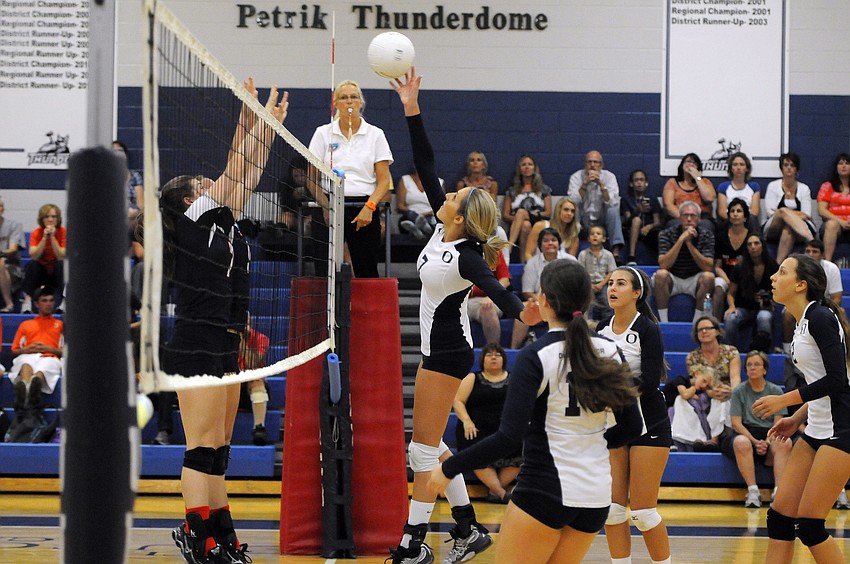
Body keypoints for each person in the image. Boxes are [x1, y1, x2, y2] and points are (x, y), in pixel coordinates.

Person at [388, 68, 542, 564]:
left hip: (450, 352)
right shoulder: (441, 229)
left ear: (459, 215)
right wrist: (412, 106)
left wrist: (534, 317)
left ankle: (412, 545)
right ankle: (468, 529)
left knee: (421, 453)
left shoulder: (467, 254)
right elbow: (424, 159)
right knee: (431, 449)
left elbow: (499, 291)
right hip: (438, 349)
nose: (446, 194)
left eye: (452, 197)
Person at [428, 259, 642, 564]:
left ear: (543, 301)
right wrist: (586, 442)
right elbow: (632, 427)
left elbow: (508, 437)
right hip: (594, 497)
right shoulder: (610, 349)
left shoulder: (536, 355)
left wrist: (449, 468)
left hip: (544, 490)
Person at [161, 79, 287, 564]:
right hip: (196, 341)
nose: (209, 183)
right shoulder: (193, 223)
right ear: (188, 201)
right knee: (201, 448)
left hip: (227, 342)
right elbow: (236, 169)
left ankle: (223, 538)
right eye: (200, 184)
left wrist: (252, 119)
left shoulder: (220, 220)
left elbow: (245, 170)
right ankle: (200, 540)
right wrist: (263, 122)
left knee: (219, 451)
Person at [752, 254, 850, 564]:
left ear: (800, 284)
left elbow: (837, 380)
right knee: (779, 518)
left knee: (810, 525)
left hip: (842, 430)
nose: (773, 278)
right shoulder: (802, 321)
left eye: (781, 272)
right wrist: (797, 417)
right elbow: (822, 381)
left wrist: (784, 401)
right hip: (817, 426)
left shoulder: (821, 317)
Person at [597, 267, 673, 564]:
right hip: (613, 425)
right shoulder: (601, 327)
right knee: (612, 510)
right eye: (610, 283)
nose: (612, 288)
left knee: (642, 512)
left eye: (621, 283)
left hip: (648, 423)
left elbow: (651, 380)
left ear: (637, 293)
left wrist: (610, 394)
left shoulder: (647, 329)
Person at [308, 79, 393, 278]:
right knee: (324, 269)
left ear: (361, 103)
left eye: (354, 97)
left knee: (366, 269)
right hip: (329, 203)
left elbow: (383, 181)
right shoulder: (322, 133)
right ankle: (327, 309)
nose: (349, 102)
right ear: (335, 103)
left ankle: (365, 309)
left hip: (363, 206)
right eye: (344, 98)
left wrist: (369, 207)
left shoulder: (375, 134)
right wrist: (325, 205)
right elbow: (311, 178)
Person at [452, 344, 521, 504]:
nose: (494, 357)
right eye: (489, 355)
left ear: (504, 359)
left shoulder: (515, 378)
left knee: (525, 443)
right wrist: (467, 421)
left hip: (506, 429)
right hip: (476, 429)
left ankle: (495, 491)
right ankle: (502, 493)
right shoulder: (472, 378)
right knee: (473, 443)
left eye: (498, 354)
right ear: (482, 360)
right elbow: (458, 401)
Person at [724, 351, 792, 508]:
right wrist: (755, 442)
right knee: (741, 442)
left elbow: (778, 422)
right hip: (747, 433)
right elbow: (736, 424)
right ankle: (753, 491)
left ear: (765, 369)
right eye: (749, 365)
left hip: (770, 433)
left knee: (785, 442)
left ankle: (779, 492)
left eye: (756, 364)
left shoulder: (775, 391)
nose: (752, 368)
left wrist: (767, 442)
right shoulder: (739, 391)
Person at [652, 201, 715, 323]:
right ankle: (664, 322)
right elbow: (663, 264)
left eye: (693, 216)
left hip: (695, 279)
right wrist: (681, 240)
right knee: (660, 274)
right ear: (680, 218)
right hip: (673, 277)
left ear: (699, 219)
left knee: (709, 277)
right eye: (686, 216)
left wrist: (689, 244)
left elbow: (707, 266)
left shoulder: (707, 235)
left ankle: (697, 321)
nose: (689, 219)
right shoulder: (666, 234)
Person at [512, 227, 573, 348]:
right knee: (523, 308)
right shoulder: (532, 263)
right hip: (541, 302)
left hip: (565, 302)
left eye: (553, 240)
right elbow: (527, 292)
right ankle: (514, 350)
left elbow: (576, 288)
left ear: (559, 243)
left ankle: (576, 346)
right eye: (546, 240)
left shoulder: (571, 261)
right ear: (540, 244)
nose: (550, 243)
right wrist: (544, 301)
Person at [781, 240, 843, 356]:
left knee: (834, 313)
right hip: (801, 303)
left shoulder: (831, 268)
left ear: (822, 255)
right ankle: (788, 350)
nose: (810, 254)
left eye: (814, 251)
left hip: (824, 304)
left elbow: (837, 298)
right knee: (788, 313)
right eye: (808, 251)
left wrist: (826, 310)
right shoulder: (797, 269)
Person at [8, 286, 63, 412]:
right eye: (44, 301)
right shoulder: (26, 325)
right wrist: (26, 350)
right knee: (26, 363)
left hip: (50, 356)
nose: (48, 304)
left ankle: (24, 400)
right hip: (28, 355)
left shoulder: (60, 325)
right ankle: (29, 395)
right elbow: (14, 351)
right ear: (37, 304)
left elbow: (66, 351)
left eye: (51, 300)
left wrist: (49, 348)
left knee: (43, 369)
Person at [724, 234, 779, 353]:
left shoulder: (772, 266)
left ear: (762, 246)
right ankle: (730, 353)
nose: (753, 247)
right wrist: (732, 307)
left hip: (764, 308)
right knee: (730, 318)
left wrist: (771, 302)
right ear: (746, 248)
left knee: (764, 317)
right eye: (750, 244)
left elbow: (780, 291)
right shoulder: (740, 267)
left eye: (756, 243)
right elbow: (730, 293)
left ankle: (763, 353)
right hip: (743, 308)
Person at [567, 150, 625, 257]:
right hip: (583, 222)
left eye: (596, 162)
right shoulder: (576, 177)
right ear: (585, 164)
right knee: (572, 209)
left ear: (601, 165)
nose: (592, 165)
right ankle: (570, 252)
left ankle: (616, 252)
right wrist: (584, 184)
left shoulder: (609, 177)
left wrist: (601, 185)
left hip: (602, 221)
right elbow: (572, 202)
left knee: (613, 211)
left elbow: (613, 202)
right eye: (589, 162)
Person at [762, 152, 815, 263]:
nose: (789, 168)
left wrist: (785, 214)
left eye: (792, 165)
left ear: (796, 169)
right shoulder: (773, 186)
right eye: (786, 165)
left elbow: (807, 215)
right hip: (774, 227)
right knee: (782, 211)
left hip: (800, 228)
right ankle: (811, 240)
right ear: (781, 168)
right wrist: (789, 213)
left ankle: (778, 265)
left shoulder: (804, 188)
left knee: (789, 227)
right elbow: (771, 212)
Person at [502, 154, 552, 261]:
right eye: (523, 165)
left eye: (530, 164)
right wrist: (519, 219)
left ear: (534, 168)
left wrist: (533, 215)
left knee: (521, 212)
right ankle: (524, 261)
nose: (527, 167)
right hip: (517, 225)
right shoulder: (512, 190)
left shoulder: (544, 189)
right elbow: (505, 215)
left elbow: (548, 212)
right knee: (525, 225)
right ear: (519, 169)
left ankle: (509, 247)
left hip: (538, 221)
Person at [669, 365, 726, 451]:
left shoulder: (702, 389)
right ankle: (671, 442)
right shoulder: (681, 380)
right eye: (704, 381)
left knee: (718, 400)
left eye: (707, 385)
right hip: (665, 409)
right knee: (678, 401)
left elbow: (712, 394)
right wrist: (694, 389)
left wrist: (711, 390)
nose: (704, 386)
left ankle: (707, 440)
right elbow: (685, 395)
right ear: (697, 374)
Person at [22, 204, 66, 313]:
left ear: (58, 218)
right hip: (41, 272)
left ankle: (64, 303)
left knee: (63, 265)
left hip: (56, 272)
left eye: (53, 216)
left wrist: (52, 237)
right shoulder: (37, 232)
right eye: (47, 217)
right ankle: (27, 302)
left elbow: (61, 255)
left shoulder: (63, 232)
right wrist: (44, 238)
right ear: (42, 219)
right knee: (32, 264)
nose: (50, 219)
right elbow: (33, 255)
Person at [712, 198, 751, 320]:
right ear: (729, 216)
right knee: (718, 286)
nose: (735, 213)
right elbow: (717, 266)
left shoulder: (752, 239)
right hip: (726, 277)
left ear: (745, 217)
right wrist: (728, 281)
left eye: (739, 211)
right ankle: (715, 324)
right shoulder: (720, 237)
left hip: (745, 278)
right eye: (732, 211)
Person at [238, 315, 270, 446]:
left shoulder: (261, 339)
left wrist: (240, 339)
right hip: (228, 389)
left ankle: (259, 428)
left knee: (256, 380)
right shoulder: (223, 340)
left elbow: (252, 364)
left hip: (250, 388)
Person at [661, 153, 716, 229]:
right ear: (682, 165)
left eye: (694, 163)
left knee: (706, 225)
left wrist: (697, 178)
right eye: (688, 161)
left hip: (701, 218)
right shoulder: (672, 182)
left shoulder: (705, 182)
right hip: (678, 216)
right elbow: (668, 205)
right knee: (674, 224)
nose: (690, 164)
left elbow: (709, 198)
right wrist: (685, 218)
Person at [467, 252, 510, 346]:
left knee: (488, 308)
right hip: (464, 300)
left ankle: (492, 350)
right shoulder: (459, 251)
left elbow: (505, 280)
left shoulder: (494, 251)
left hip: (490, 298)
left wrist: (492, 295)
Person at [621, 169, 662, 265]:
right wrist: (638, 210)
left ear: (646, 183)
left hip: (648, 231)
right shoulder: (626, 199)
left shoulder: (652, 199)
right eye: (636, 180)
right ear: (631, 184)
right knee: (636, 220)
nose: (639, 182)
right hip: (631, 230)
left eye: (642, 180)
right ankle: (631, 257)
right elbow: (628, 220)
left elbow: (657, 221)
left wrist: (649, 226)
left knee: (661, 234)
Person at [577, 225, 616, 320]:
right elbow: (580, 271)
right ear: (588, 238)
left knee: (608, 302)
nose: (595, 236)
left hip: (603, 284)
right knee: (586, 303)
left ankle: (608, 324)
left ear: (603, 239)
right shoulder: (583, 254)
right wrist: (589, 284)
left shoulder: (608, 255)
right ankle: (587, 325)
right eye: (592, 234)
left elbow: (611, 272)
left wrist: (601, 284)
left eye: (598, 234)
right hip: (588, 284)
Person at [524, 196, 581, 262]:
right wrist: (534, 269)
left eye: (572, 211)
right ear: (558, 210)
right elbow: (528, 254)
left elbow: (571, 261)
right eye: (566, 210)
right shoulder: (540, 226)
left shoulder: (573, 236)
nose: (569, 213)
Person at [816, 152, 850, 262]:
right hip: (833, 226)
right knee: (831, 224)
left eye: (847, 163)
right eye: (840, 163)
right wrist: (841, 221)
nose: (843, 166)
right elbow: (821, 210)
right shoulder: (827, 186)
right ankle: (827, 263)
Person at [716, 152, 761, 233]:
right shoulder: (723, 187)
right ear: (731, 168)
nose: (738, 167)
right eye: (735, 164)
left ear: (747, 168)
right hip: (730, 220)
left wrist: (741, 219)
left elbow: (755, 211)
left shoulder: (754, 187)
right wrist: (735, 218)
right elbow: (722, 212)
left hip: (748, 221)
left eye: (742, 164)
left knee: (752, 219)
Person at [397, 168, 440, 241]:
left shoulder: (439, 182)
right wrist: (417, 215)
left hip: (430, 215)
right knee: (407, 219)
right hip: (410, 216)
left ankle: (417, 229)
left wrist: (428, 213)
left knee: (434, 220)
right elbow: (400, 206)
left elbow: (441, 206)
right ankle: (425, 228)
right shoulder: (405, 180)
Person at [0, 198, 25, 312]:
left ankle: (9, 304)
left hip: (11, 266)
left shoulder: (14, 226)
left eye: (0, 206)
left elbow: (13, 249)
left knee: (0, 263)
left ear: (3, 209)